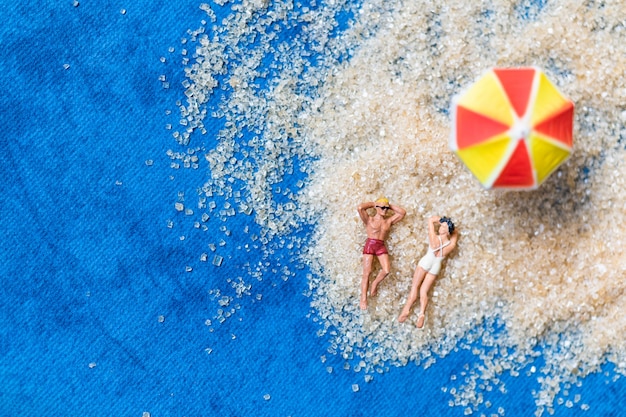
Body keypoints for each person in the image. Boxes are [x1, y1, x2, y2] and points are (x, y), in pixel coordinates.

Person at [398, 215, 458, 328]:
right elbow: (455, 234)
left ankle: (406, 309)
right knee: (423, 291)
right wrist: (451, 226)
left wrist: (441, 220)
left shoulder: (434, 239)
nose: (439, 228)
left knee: (415, 287)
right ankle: (421, 313)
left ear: (444, 230)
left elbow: (430, 220)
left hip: (426, 262)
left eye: (441, 227)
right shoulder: (450, 245)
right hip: (436, 265)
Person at [357, 197, 406, 310]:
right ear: (377, 208)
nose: (385, 210)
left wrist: (388, 204)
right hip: (370, 244)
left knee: (387, 270)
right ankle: (363, 298)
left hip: (380, 245)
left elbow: (402, 212)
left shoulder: (388, 221)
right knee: (367, 272)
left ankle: (374, 284)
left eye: (387, 209)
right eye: (383, 208)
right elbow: (360, 208)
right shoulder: (369, 220)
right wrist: (374, 203)